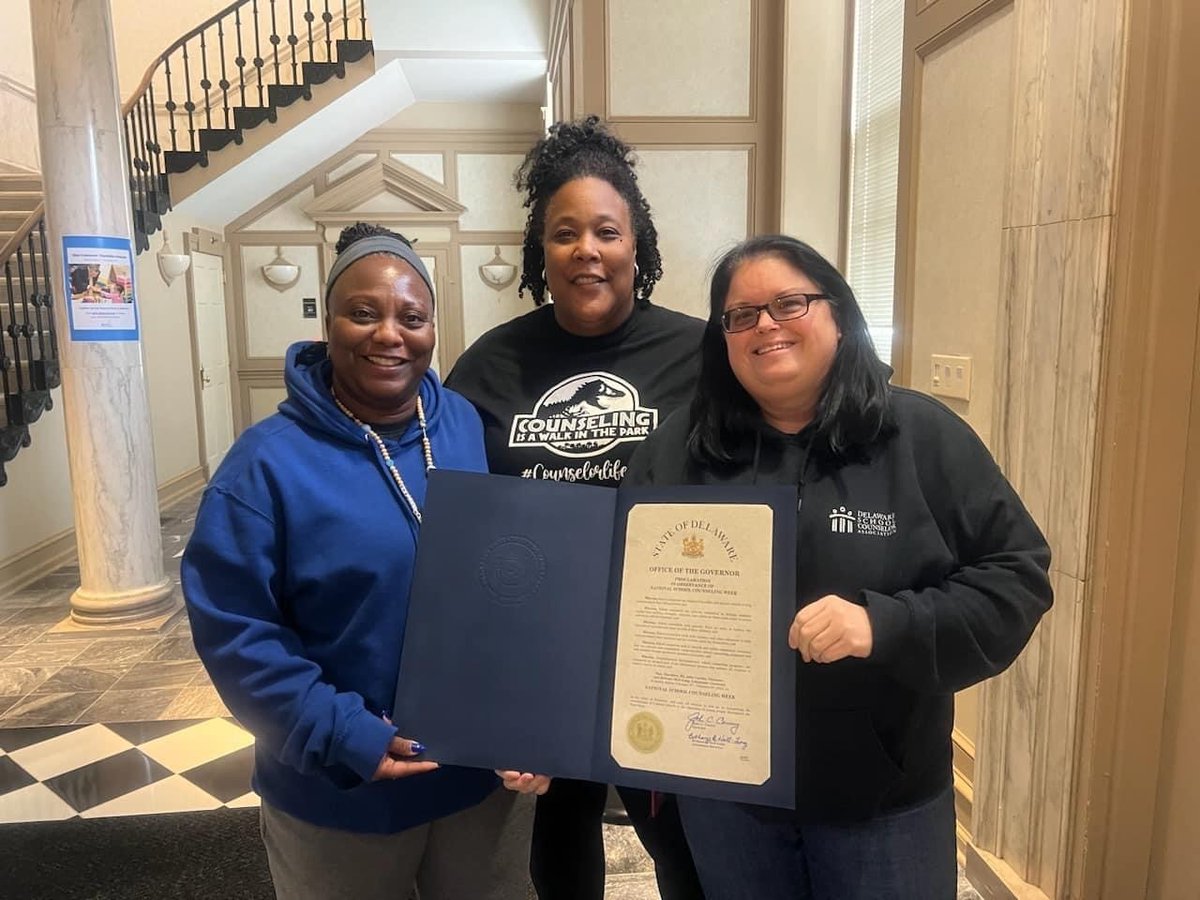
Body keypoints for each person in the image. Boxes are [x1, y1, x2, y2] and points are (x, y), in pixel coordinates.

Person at [623, 234, 1054, 899]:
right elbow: (620, 605)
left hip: (882, 804)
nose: (764, 325)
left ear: (839, 313)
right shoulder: (677, 452)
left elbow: (1017, 575)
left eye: (788, 302)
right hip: (727, 798)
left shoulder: (921, 436)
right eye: (740, 315)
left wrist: (885, 624)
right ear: (722, 340)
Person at [181, 223, 545, 900]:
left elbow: (508, 580)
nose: (389, 335)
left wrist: (532, 719)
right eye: (363, 313)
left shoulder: (464, 423)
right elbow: (235, 632)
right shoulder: (265, 465)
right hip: (340, 788)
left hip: (475, 783)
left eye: (412, 316)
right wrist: (339, 730)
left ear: (433, 327)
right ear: (328, 322)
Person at [446, 116, 706, 900]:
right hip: (542, 652)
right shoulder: (489, 365)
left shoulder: (701, 356)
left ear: (637, 246)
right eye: (564, 233)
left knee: (686, 847)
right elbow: (460, 519)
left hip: (665, 646)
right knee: (556, 853)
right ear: (541, 253)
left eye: (605, 231)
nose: (586, 249)